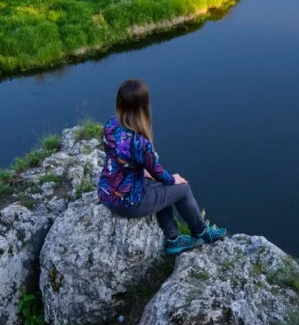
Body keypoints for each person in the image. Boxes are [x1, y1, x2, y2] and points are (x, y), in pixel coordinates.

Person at [97, 78, 227, 255]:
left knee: (160, 187)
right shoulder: (139, 142)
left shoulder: (110, 125)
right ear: (143, 107)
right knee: (182, 189)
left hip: (106, 191)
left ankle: (173, 238)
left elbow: (116, 157)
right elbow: (158, 172)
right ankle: (202, 232)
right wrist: (174, 179)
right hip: (128, 202)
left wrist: (141, 171)